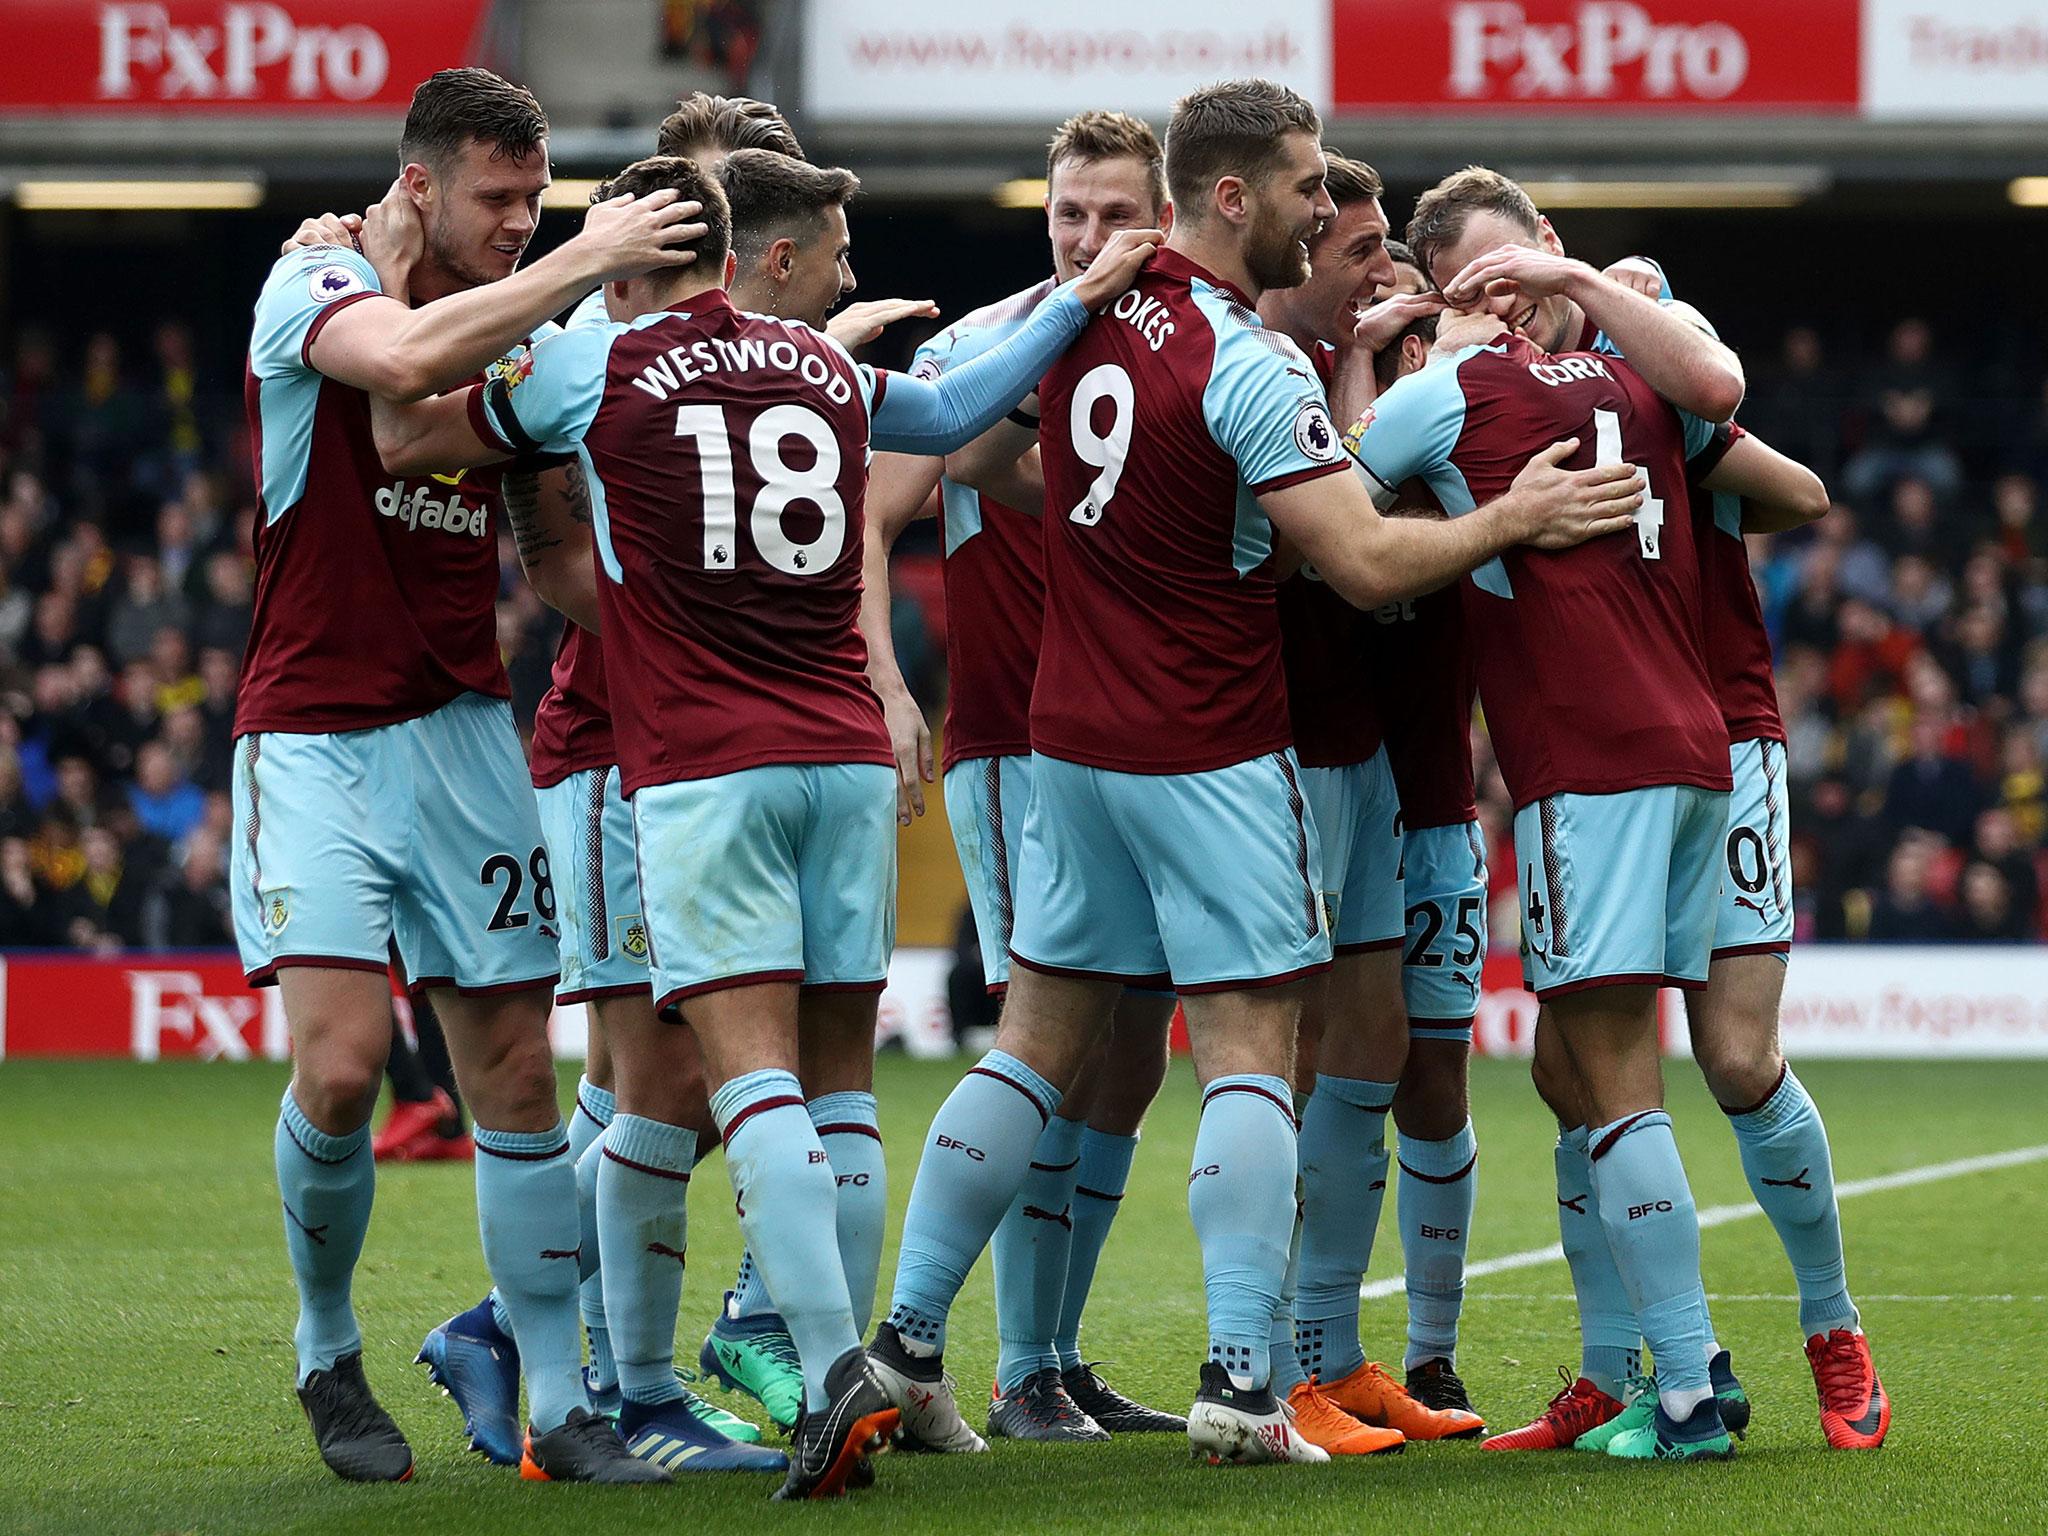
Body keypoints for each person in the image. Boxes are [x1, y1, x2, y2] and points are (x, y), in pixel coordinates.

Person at [869, 77, 1646, 1469]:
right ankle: (1242, 1383)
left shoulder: (1085, 315)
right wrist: (1516, 515)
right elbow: (1360, 557)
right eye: (1301, 187)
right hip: (1209, 744)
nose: (1318, 207)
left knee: (1034, 1042)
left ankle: (908, 1342)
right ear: (1234, 197)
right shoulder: (1247, 358)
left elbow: (981, 450)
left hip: (1072, 743)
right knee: (1245, 1047)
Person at [367, 152, 1159, 1498]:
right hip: (844, 763)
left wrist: (403, 282)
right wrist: (1080, 294)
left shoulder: (593, 366)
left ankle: (829, 1364)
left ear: (628, 254)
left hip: (704, 769)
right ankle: (823, 1370)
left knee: (746, 1085)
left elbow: (407, 428)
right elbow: (968, 399)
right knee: (841, 1086)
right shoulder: (823, 370)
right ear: (735, 253)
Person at [240, 66, 704, 1485]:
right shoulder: (311, 281)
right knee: (342, 1069)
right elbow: (393, 368)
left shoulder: (515, 331)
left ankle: (558, 1405)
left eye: (538, 200)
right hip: (312, 730)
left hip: (456, 731)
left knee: (509, 1067)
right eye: (499, 199)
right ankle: (329, 1351)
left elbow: (554, 531)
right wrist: (585, 263)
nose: (522, 223)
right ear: (422, 184)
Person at [1415, 173, 1889, 1452]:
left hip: (1722, 734)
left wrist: (1693, 445)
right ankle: (1622, 1365)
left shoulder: (1644, 351)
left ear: (1551, 248)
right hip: (1611, 748)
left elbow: (1796, 491)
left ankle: (1825, 1334)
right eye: (1478, 287)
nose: (1507, 300)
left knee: (1727, 1062)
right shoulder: (1484, 395)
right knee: (1569, 1068)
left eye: (1517, 269)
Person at [860, 108, 1188, 1446]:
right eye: (1069, 213)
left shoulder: (1185, 345)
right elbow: (877, 520)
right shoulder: (977, 351)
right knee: (1050, 1047)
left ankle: (1047, 1361)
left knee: (1132, 1064)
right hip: (1020, 740)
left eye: (1114, 215)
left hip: (1155, 743)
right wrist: (886, 684)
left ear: (1162, 220)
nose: (1089, 237)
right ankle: (974, 1358)